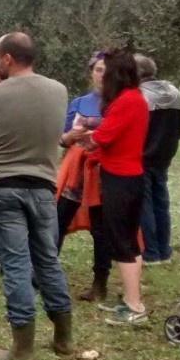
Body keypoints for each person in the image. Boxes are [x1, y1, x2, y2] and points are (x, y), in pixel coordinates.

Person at [0, 32, 74, 360]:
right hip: (44, 186)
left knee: (15, 263)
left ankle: (22, 348)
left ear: (7, 59)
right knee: (47, 260)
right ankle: (63, 339)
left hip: (3, 186)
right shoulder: (59, 90)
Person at [66, 49, 150, 324]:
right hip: (124, 176)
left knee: (123, 244)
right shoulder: (131, 99)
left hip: (121, 179)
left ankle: (135, 306)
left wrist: (89, 138)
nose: (102, 76)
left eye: (107, 70)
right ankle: (129, 299)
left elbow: (105, 135)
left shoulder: (127, 101)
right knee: (127, 242)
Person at [55, 52, 111, 301]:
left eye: (108, 70)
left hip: (102, 173)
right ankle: (45, 273)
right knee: (58, 221)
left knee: (100, 229)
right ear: (91, 72)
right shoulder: (79, 102)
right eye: (99, 69)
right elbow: (63, 138)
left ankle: (100, 283)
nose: (103, 75)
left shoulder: (119, 102)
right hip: (75, 171)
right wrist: (71, 137)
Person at [135, 55, 180, 264]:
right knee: (161, 203)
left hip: (141, 158)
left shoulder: (138, 95)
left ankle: (150, 252)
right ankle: (164, 251)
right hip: (164, 157)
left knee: (144, 204)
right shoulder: (174, 92)